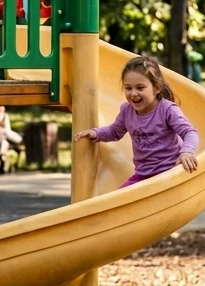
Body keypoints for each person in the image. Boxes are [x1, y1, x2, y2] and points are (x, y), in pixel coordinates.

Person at [75, 55, 198, 187]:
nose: (133, 93)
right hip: (143, 175)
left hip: (169, 172)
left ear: (156, 88)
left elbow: (189, 132)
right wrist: (95, 133)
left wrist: (187, 152)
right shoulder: (127, 111)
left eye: (140, 88)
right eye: (128, 88)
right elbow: (114, 131)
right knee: (119, 200)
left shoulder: (167, 109)